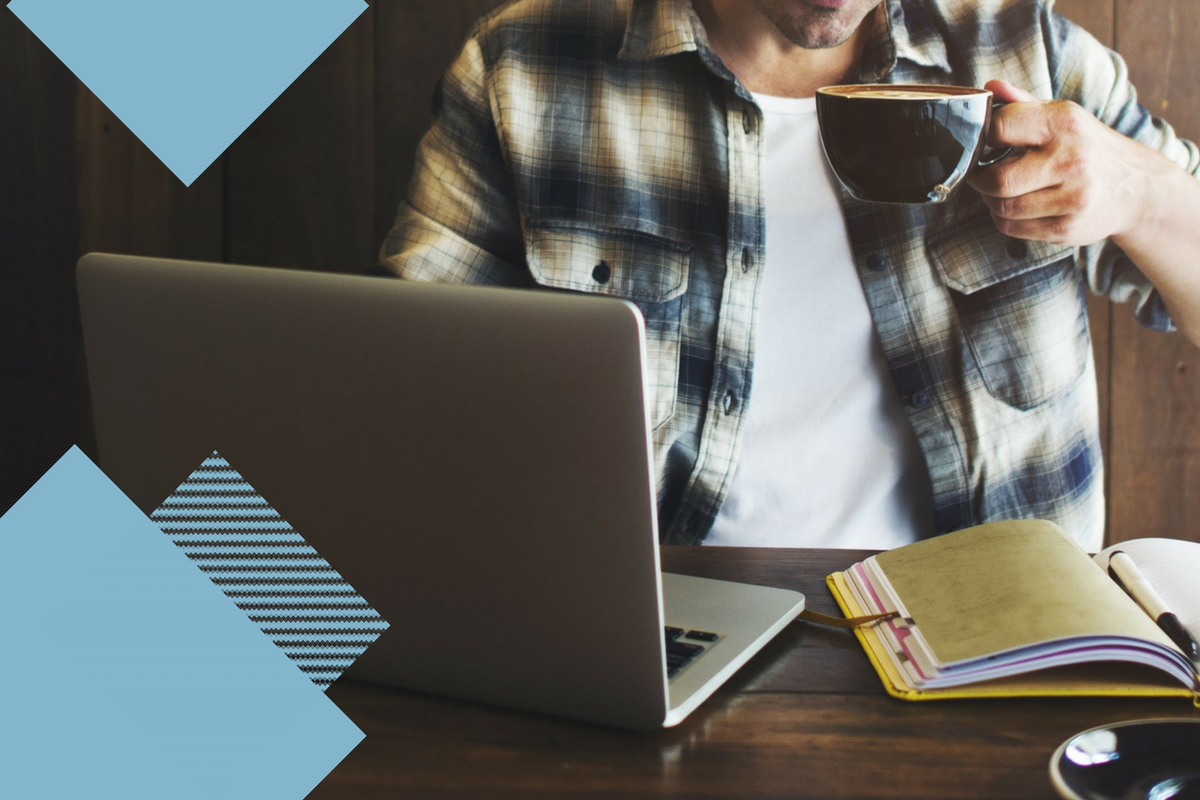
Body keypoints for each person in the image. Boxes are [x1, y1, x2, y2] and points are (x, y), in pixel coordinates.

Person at [378, 0, 1200, 552]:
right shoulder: (525, 66)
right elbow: (409, 400)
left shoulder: (1023, 46)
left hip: (997, 641)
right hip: (661, 631)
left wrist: (1144, 195)